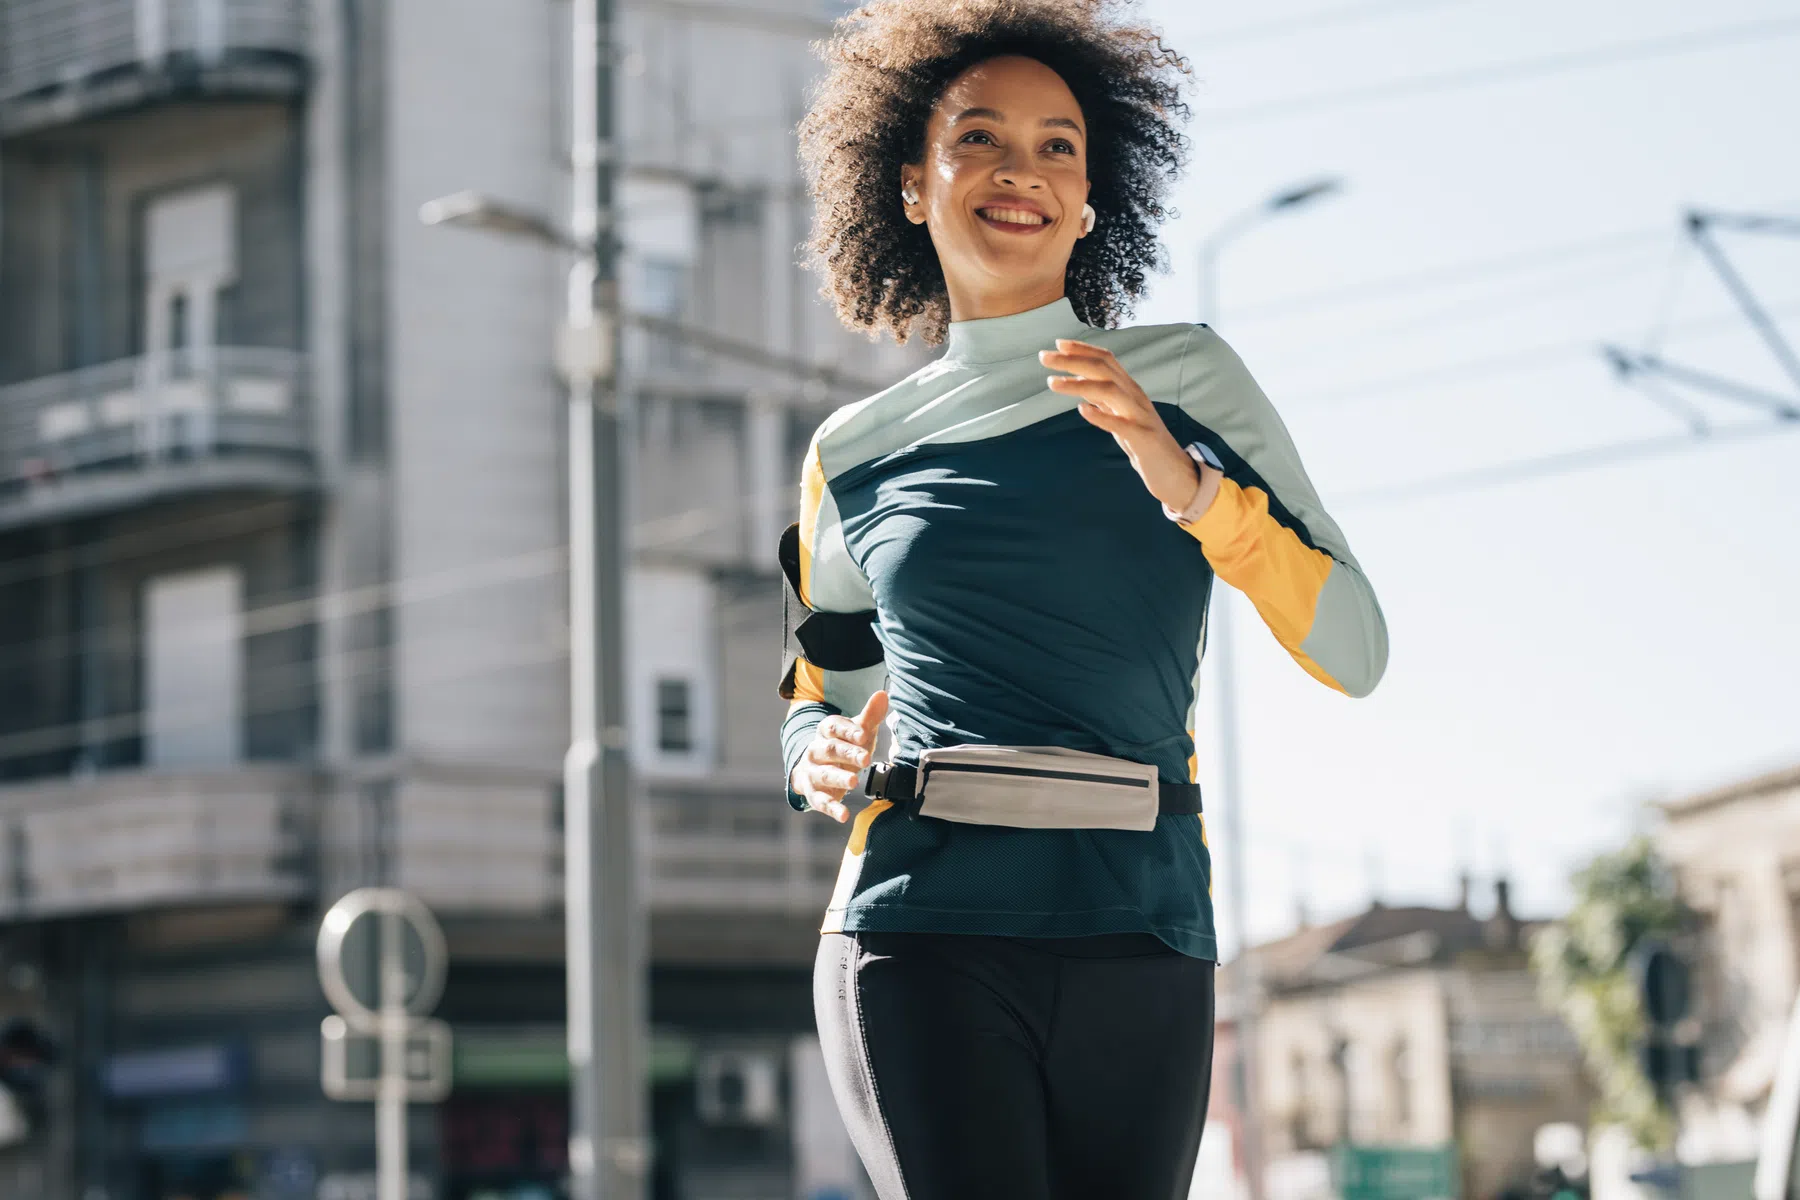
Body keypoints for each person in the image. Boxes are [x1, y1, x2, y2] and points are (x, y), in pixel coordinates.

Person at [779, 2, 1389, 1196]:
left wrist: (1189, 485)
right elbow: (822, 695)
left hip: (1143, 928)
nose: (1022, 171)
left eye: (1058, 146)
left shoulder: (1188, 379)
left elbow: (1356, 650)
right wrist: (815, 757)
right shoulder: (850, 453)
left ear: (1092, 197)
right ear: (910, 184)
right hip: (915, 930)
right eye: (980, 139)